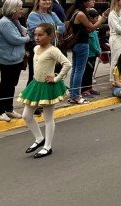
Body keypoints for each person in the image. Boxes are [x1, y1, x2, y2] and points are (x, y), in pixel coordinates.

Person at [18, 22, 71, 158]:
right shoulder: (36, 48)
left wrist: (57, 78)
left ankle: (48, 146)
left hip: (48, 87)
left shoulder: (53, 50)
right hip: (36, 84)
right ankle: (39, 138)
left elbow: (67, 63)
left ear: (50, 36)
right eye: (35, 35)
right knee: (26, 115)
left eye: (40, 35)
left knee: (48, 117)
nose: (37, 37)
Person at [65, 0, 107, 104]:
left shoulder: (76, 12)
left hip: (76, 44)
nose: (93, 1)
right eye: (91, 0)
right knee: (80, 70)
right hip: (82, 44)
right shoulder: (81, 14)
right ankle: (75, 95)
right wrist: (102, 19)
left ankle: (73, 94)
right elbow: (92, 27)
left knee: (75, 69)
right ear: (85, 2)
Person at [0, 0, 30, 121]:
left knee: (12, 85)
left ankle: (9, 108)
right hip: (7, 59)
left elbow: (23, 32)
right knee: (5, 84)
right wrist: (28, 38)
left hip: (16, 59)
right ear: (13, 9)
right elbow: (14, 39)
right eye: (20, 8)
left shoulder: (14, 20)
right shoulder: (5, 22)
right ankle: (0, 111)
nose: (21, 10)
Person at [25, 0, 65, 84]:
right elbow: (38, 31)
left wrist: (51, 28)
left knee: (51, 74)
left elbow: (62, 27)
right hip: (39, 50)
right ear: (38, 2)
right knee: (36, 76)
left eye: (49, 0)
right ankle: (33, 97)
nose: (48, 2)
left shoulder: (52, 14)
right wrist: (54, 28)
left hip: (52, 48)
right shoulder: (33, 15)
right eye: (44, 0)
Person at [81, 9, 102, 99]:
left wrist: (99, 50)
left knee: (91, 72)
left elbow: (96, 41)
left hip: (94, 53)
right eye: (97, 18)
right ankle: (84, 90)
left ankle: (89, 88)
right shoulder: (89, 29)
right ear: (91, 18)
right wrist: (97, 51)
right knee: (87, 72)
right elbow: (92, 43)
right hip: (90, 54)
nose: (98, 20)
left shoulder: (93, 29)